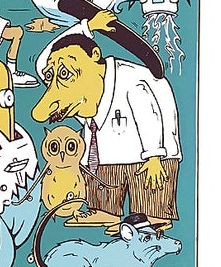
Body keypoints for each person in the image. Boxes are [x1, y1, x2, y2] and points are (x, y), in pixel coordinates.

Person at [32, 27, 181, 228]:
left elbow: (149, 115)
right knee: (103, 178)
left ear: (94, 56)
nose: (56, 79)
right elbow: (42, 63)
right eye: (52, 75)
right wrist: (86, 26)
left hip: (150, 153)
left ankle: (154, 214)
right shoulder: (75, 90)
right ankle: (104, 211)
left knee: (150, 185)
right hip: (107, 154)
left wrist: (154, 156)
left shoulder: (130, 80)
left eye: (65, 72)